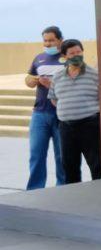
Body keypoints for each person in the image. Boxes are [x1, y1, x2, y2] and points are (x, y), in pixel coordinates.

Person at [49, 39, 101, 184]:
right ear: (64, 56)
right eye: (72, 53)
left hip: (90, 126)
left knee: (97, 164)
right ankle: (74, 195)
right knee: (69, 166)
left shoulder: (95, 75)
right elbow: (53, 99)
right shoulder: (57, 76)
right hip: (66, 128)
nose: (76, 55)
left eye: (79, 52)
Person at [24, 25, 65, 189]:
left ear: (60, 40)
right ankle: (35, 189)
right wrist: (31, 80)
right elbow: (29, 79)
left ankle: (63, 188)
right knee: (36, 154)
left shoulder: (68, 58)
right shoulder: (39, 58)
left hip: (62, 114)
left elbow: (74, 84)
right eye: (45, 41)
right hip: (39, 114)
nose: (47, 44)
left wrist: (52, 85)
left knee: (62, 156)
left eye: (51, 40)